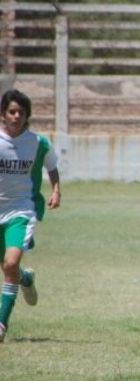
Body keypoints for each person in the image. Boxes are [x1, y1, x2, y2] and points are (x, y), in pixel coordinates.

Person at [0, 89, 61, 343]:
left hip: (21, 210)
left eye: (21, 113)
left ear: (27, 117)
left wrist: (56, 189)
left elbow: (51, 165)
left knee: (10, 264)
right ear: (3, 114)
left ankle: (2, 323)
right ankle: (25, 279)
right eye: (12, 111)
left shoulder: (37, 143)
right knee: (8, 267)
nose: (16, 116)